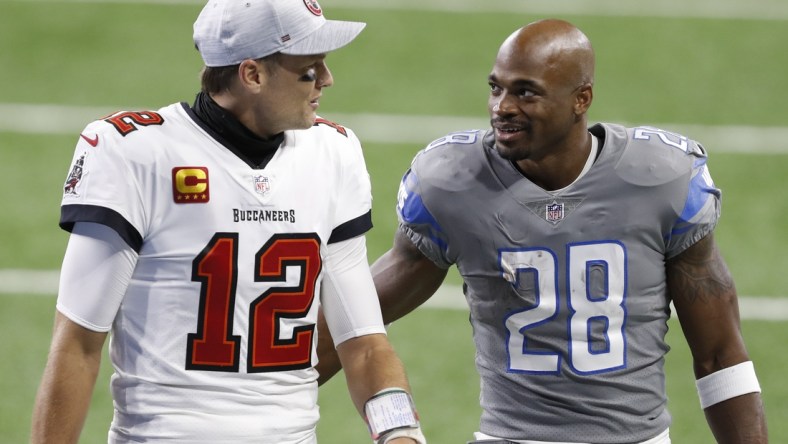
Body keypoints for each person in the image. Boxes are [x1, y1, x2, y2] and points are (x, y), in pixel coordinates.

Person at [316, 18, 768, 444]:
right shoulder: (452, 183)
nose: (502, 108)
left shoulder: (660, 178)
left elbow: (719, 354)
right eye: (496, 88)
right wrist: (263, 401)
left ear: (581, 99)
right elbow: (352, 323)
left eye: (526, 93)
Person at [30, 0, 426, 443]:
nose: (327, 80)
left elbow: (365, 342)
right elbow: (78, 344)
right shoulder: (134, 152)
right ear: (252, 74)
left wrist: (400, 432)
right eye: (309, 70)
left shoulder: (333, 153)